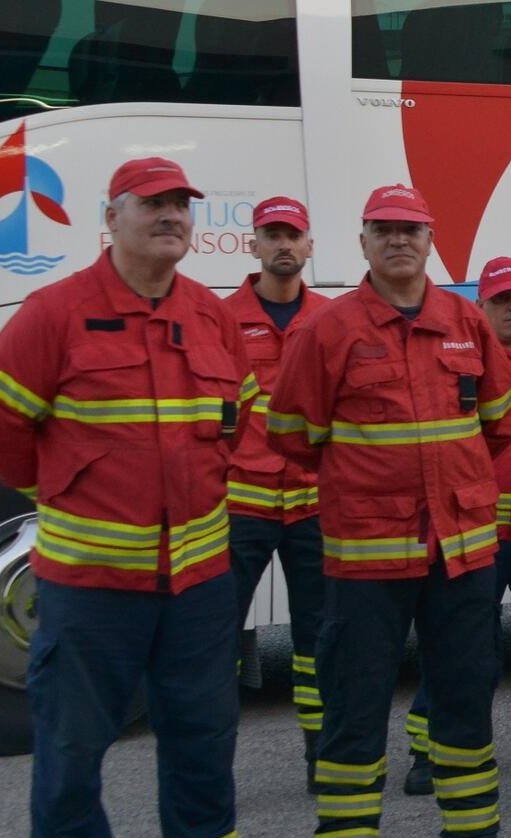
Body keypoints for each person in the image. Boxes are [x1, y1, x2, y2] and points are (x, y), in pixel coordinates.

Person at [0, 157, 293, 838]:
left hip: (196, 582)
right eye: (151, 204)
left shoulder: (210, 317)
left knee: (202, 735)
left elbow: (242, 418)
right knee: (74, 744)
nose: (171, 216)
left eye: (180, 205)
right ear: (108, 219)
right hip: (91, 588)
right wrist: (73, 493)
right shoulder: (53, 316)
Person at [264, 184, 511, 838]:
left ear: (430, 238)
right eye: (384, 229)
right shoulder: (331, 330)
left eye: (411, 228)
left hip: (462, 552)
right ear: (364, 242)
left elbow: (504, 420)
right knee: (354, 710)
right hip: (368, 559)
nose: (399, 241)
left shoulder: (464, 321)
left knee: (466, 698)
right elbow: (289, 433)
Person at [393, 258, 511, 796]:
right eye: (500, 300)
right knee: (459, 646)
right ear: (480, 307)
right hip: (477, 530)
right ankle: (428, 750)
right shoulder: (462, 364)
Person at [222, 196, 331, 789]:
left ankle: (323, 759)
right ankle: (213, 762)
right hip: (244, 502)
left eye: (294, 235)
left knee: (319, 639)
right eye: (273, 234)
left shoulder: (333, 319)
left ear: (310, 246)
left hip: (314, 501)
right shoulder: (222, 318)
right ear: (254, 245)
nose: (284, 245)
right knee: (219, 636)